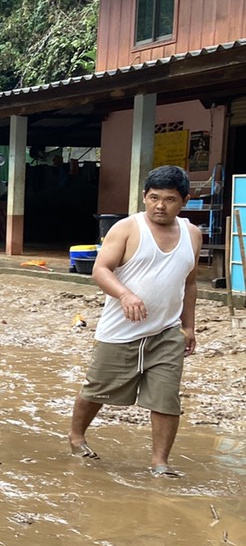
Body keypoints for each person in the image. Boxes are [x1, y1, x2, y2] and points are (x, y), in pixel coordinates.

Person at [68, 165, 200, 476]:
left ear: (184, 201)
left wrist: (189, 326)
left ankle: (160, 463)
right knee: (96, 390)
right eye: (154, 197)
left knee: (167, 398)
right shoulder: (127, 229)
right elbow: (101, 269)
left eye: (169, 199)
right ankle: (76, 436)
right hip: (120, 331)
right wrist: (126, 295)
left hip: (167, 331)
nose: (160, 206)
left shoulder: (192, 234)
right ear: (144, 197)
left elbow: (190, 283)